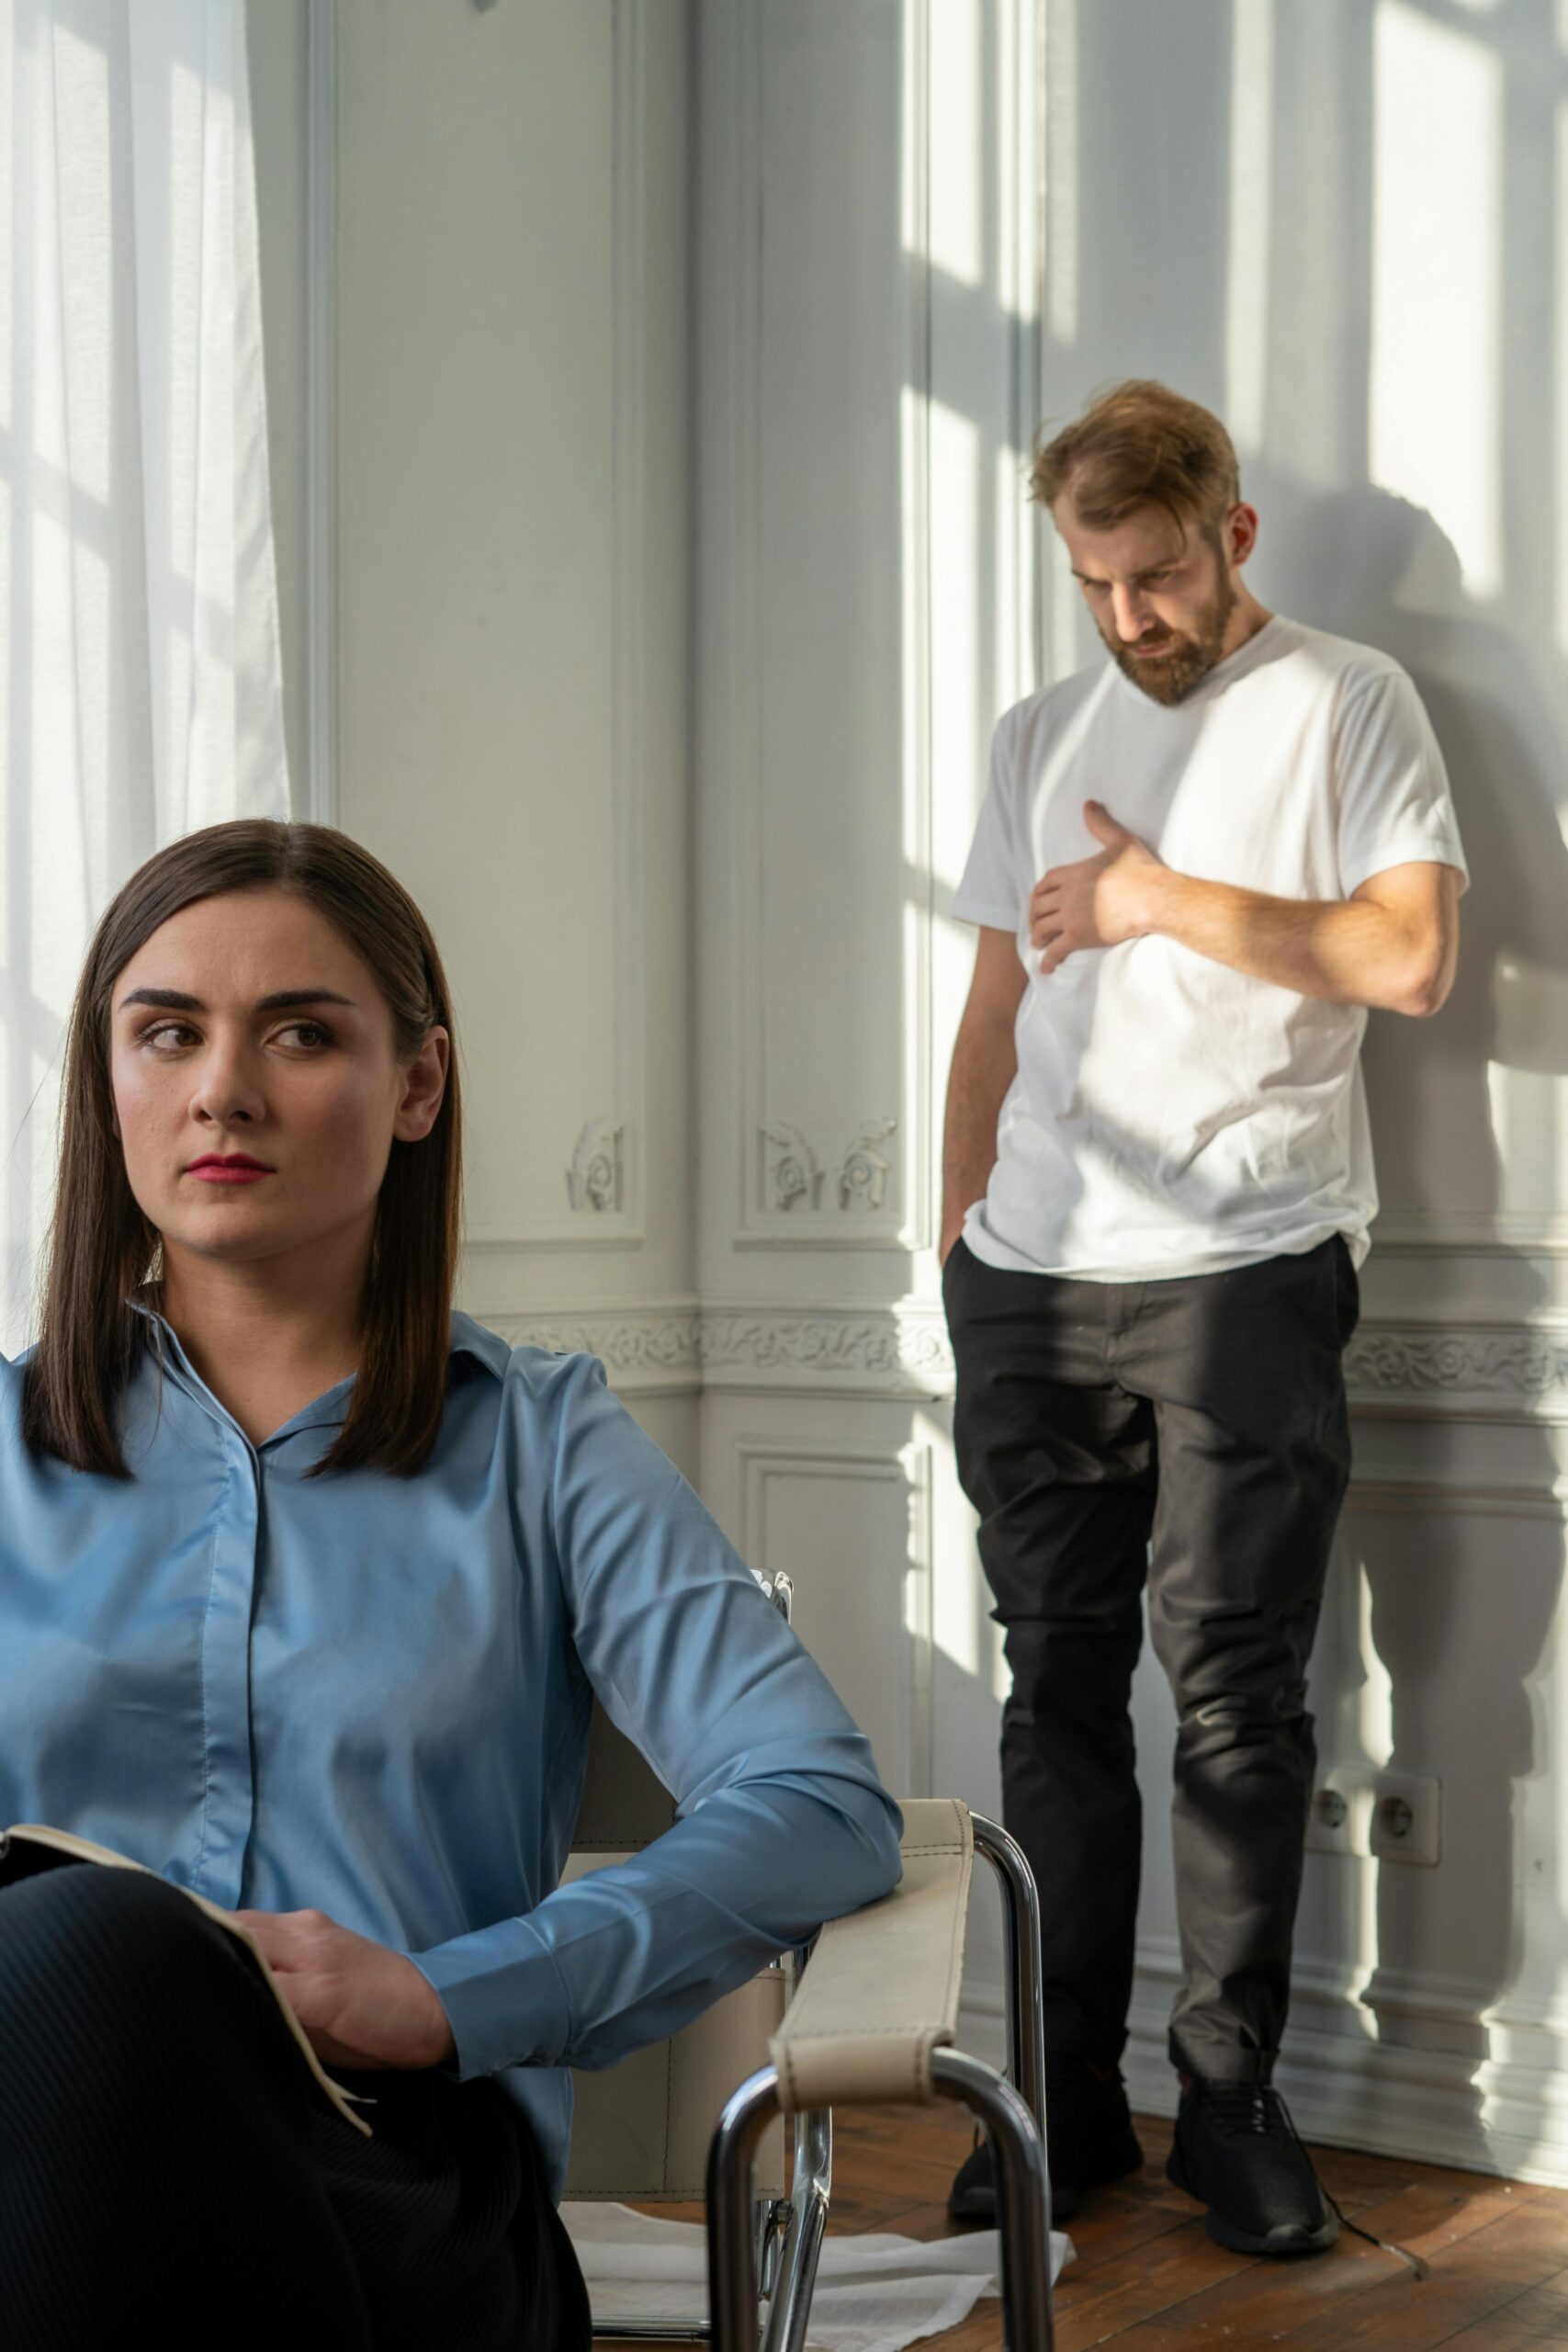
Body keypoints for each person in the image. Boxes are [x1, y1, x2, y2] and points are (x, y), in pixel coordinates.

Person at [0, 820, 903, 2349]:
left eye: (300, 1032)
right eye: (168, 1033)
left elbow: (818, 1800)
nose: (223, 1088)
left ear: (417, 1084)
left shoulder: (544, 1443)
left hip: (398, 2191)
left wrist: (450, 1997)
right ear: (108, 1082)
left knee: (97, 1953)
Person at [941, 381, 1466, 2257]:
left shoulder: (1344, 702)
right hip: (1030, 1276)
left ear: (1229, 534)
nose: (1126, 618)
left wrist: (1161, 893)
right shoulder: (1031, 732)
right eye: (1093, 583)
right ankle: (1056, 2104)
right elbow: (996, 1006)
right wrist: (957, 1244)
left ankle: (1227, 2106)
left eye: (1153, 576)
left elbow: (1404, 953)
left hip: (1244, 1263)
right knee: (1050, 1698)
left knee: (1237, 1700)